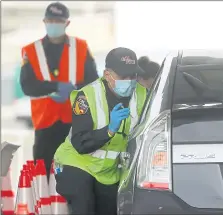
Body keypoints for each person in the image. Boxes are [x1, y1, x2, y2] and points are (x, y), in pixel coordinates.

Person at [53, 47, 148, 215]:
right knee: (85, 206)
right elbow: (80, 143)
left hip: (109, 171)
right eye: (123, 77)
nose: (130, 81)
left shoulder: (142, 95)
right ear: (107, 75)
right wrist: (109, 130)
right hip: (77, 163)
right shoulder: (87, 96)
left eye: (133, 76)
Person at [20, 2, 99, 181]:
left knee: (75, 173)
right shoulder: (31, 51)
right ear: (44, 21)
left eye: (58, 21)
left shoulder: (81, 47)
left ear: (67, 23)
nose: (54, 24)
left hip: (75, 121)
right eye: (51, 20)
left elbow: (93, 80)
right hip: (45, 123)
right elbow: (28, 85)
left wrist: (74, 89)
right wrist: (55, 87)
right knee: (43, 175)